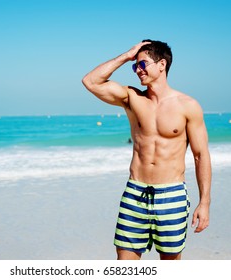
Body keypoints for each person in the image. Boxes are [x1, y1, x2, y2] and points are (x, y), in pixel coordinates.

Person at [82, 39, 212, 260]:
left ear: (162, 65)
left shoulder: (187, 105)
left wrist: (205, 202)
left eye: (142, 64)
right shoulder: (132, 98)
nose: (137, 70)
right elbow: (91, 81)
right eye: (135, 66)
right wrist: (127, 56)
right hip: (135, 194)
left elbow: (200, 156)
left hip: (172, 195)